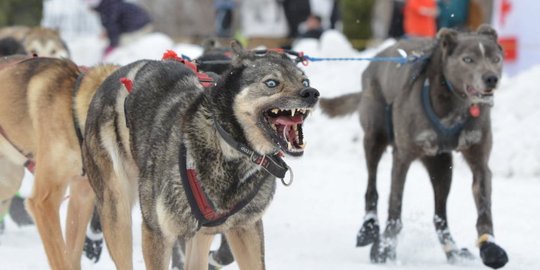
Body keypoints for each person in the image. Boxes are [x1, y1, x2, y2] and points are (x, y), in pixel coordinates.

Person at [85, 0, 152, 57]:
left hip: (140, 26)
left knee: (124, 45)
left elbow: (113, 27)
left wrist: (112, 45)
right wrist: (108, 33)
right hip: (138, 24)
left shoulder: (109, 8)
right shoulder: (109, 5)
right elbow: (116, 23)